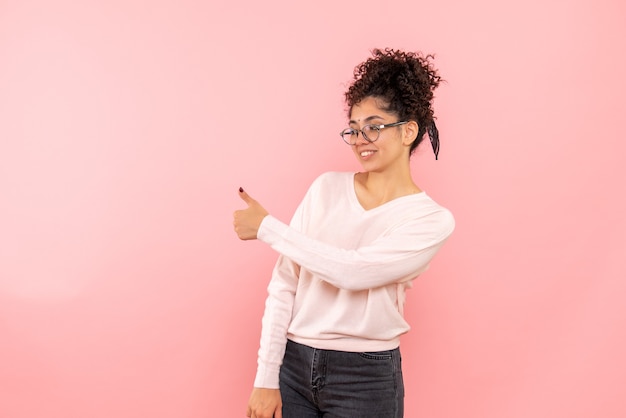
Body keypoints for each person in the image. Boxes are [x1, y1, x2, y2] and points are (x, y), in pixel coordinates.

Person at [233, 48, 455, 418]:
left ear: (408, 131)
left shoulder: (430, 220)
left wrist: (268, 228)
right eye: (353, 128)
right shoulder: (326, 188)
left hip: (366, 376)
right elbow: (284, 284)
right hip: (294, 366)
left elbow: (354, 271)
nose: (359, 138)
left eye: (374, 126)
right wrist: (266, 377)